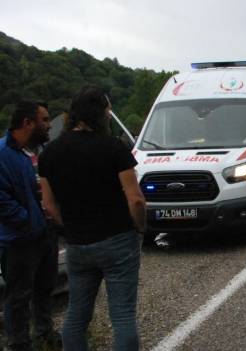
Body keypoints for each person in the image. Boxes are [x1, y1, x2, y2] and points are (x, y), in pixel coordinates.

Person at [38, 86, 146, 351]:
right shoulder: (113, 147)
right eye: (107, 111)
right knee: (122, 315)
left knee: (76, 316)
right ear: (98, 113)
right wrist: (140, 227)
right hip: (118, 239)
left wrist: (73, 226)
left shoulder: (49, 153)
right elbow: (136, 199)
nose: (109, 116)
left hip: (77, 245)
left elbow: (49, 206)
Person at [0, 101, 60, 351]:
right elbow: (2, 201)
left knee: (45, 287)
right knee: (18, 296)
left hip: (45, 234)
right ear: (27, 123)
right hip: (19, 240)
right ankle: (18, 344)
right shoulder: (3, 153)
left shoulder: (37, 151)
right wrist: (29, 221)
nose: (49, 125)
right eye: (44, 120)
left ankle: (44, 334)